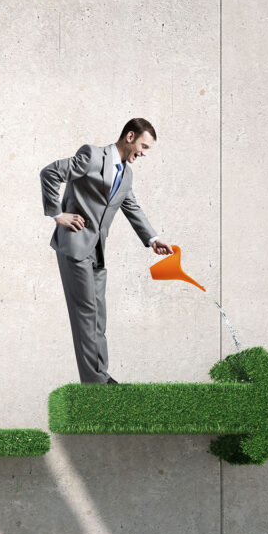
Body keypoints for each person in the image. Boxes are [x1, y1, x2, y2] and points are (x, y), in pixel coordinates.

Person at [39, 118, 174, 384]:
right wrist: (57, 214)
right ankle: (94, 383)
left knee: (99, 315)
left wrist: (153, 238)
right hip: (75, 246)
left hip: (97, 251)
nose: (144, 153)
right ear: (130, 136)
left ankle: (101, 374)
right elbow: (50, 173)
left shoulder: (127, 173)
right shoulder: (91, 156)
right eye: (143, 146)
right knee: (86, 312)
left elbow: (131, 207)